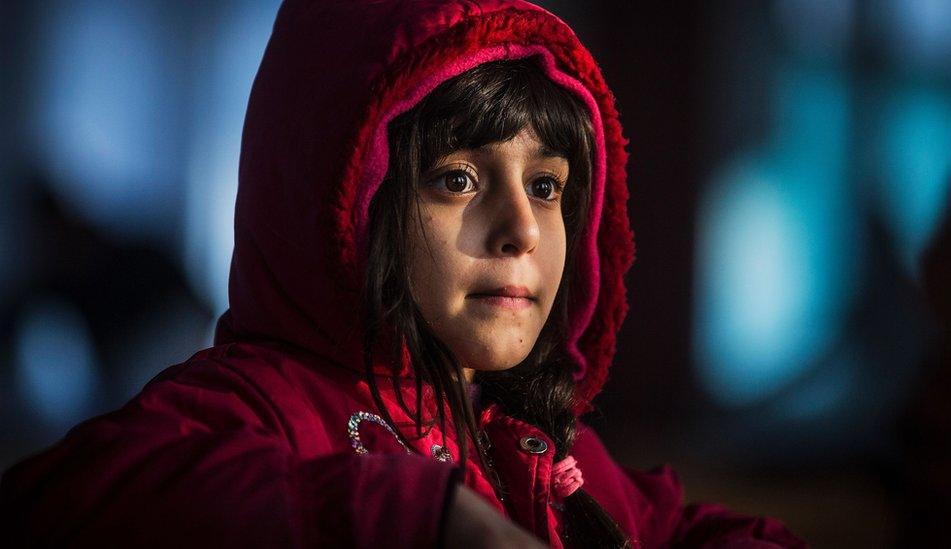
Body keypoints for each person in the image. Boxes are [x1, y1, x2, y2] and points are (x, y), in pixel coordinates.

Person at [1, 1, 805, 547]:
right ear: (342, 191)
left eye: (547, 186)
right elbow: (63, 501)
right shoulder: (260, 404)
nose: (522, 229)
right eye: (458, 178)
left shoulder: (544, 449)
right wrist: (414, 519)